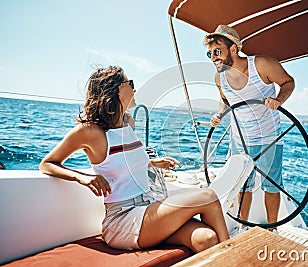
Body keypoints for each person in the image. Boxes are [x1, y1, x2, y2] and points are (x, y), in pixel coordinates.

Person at [39, 66, 229, 252]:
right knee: (207, 196)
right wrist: (84, 178)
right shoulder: (90, 132)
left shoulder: (128, 122)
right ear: (116, 90)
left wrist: (153, 163)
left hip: (150, 208)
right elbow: (47, 164)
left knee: (207, 239)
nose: (135, 88)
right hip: (124, 219)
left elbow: (124, 159)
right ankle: (235, 255)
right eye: (130, 83)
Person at [204, 25, 295, 230]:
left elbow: (288, 82)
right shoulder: (219, 77)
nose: (212, 57)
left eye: (217, 51)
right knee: (243, 184)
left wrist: (278, 99)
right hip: (240, 139)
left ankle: (272, 230)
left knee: (272, 186)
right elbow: (225, 100)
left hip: (269, 137)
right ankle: (244, 228)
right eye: (209, 53)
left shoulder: (262, 64)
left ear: (233, 49)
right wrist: (220, 113)